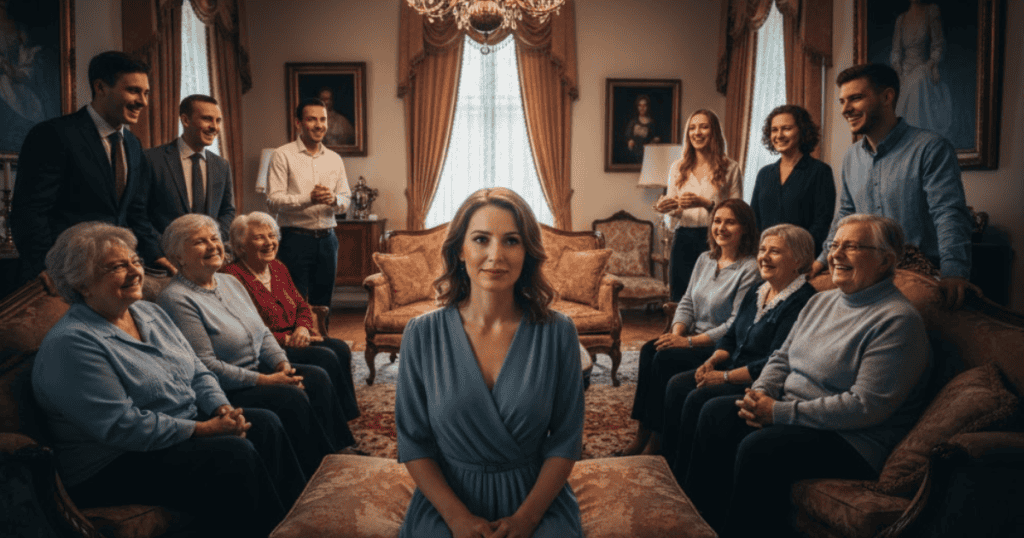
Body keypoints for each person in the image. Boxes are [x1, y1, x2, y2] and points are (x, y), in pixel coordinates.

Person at [32, 222, 305, 538]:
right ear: (82, 283)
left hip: (172, 426)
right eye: (117, 267)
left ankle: (297, 523)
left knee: (265, 424)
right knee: (233, 454)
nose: (136, 272)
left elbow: (198, 370)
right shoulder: (73, 343)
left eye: (135, 261)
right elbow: (123, 427)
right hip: (113, 463)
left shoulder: (148, 311)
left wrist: (220, 409)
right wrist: (204, 429)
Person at [684, 214, 931, 537]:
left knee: (760, 448)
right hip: (794, 410)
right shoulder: (822, 301)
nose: (836, 255)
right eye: (834, 245)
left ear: (885, 260)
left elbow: (865, 406)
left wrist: (778, 412)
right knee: (716, 413)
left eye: (852, 247)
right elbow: (781, 357)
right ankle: (695, 522)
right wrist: (758, 393)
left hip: (851, 438)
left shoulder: (898, 321)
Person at [395, 187, 585, 537]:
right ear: (460, 250)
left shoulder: (559, 332)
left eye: (511, 241)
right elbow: (413, 443)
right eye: (481, 239)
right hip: (448, 502)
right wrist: (456, 518)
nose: (495, 255)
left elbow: (566, 439)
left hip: (536, 501)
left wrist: (527, 519)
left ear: (527, 252)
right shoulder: (420, 335)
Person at [155, 214, 358, 477]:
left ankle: (334, 455)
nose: (213, 246)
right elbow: (206, 365)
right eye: (199, 242)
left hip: (260, 368)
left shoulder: (229, 282)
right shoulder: (176, 298)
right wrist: (267, 380)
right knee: (291, 396)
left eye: (215, 238)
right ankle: (312, 472)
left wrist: (283, 366)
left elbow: (262, 333)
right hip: (228, 386)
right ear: (178, 256)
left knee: (315, 377)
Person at [809, 63, 976, 309]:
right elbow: (845, 216)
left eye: (855, 98)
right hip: (865, 273)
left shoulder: (931, 148)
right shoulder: (851, 157)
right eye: (842, 101)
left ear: (887, 97)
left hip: (919, 275)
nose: (846, 109)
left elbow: (948, 213)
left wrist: (954, 272)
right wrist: (822, 260)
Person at [661, 224, 817, 480]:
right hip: (732, 367)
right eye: (762, 249)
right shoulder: (760, 290)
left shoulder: (802, 301)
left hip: (760, 381)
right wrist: (712, 361)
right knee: (678, 385)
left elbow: (774, 360)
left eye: (774, 251)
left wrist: (723, 378)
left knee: (702, 400)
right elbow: (731, 335)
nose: (764, 257)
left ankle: (694, 483)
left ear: (799, 260)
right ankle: (670, 467)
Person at [11, 51, 172, 283]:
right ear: (100, 87)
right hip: (65, 274)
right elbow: (30, 212)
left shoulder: (133, 144)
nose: (144, 102)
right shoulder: (53, 134)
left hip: (111, 276)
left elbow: (135, 214)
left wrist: (158, 255)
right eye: (134, 91)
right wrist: (43, 266)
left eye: (146, 93)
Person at [621, 199, 760, 456]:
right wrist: (676, 334)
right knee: (649, 350)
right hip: (691, 336)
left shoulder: (750, 269)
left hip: (720, 346)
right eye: (717, 221)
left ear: (745, 228)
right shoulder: (705, 259)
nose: (721, 228)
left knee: (663, 358)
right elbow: (686, 301)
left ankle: (657, 441)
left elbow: (735, 324)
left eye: (730, 222)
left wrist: (687, 343)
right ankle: (642, 432)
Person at [223, 211, 359, 421]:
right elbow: (245, 329)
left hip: (297, 337)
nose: (269, 242)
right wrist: (287, 339)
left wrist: (302, 328)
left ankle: (345, 417)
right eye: (259, 238)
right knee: (326, 357)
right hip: (269, 349)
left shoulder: (277, 268)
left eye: (271, 236)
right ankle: (327, 420)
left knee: (339, 348)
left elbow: (302, 306)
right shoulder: (232, 277)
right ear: (241, 247)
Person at [266, 97, 352, 308]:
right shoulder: (281, 155)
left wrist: (333, 199)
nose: (319, 125)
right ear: (298, 123)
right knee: (292, 303)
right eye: (312, 119)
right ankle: (297, 341)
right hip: (294, 239)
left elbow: (346, 199)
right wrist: (308, 199)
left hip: (328, 240)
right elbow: (273, 201)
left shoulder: (335, 159)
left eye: (322, 120)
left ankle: (322, 340)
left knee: (323, 304)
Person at [655, 109, 742, 301]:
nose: (697, 132)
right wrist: (667, 208)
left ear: (714, 132)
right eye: (692, 128)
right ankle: (677, 332)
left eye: (704, 127)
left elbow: (738, 212)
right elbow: (674, 213)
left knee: (712, 298)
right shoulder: (677, 168)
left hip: (716, 240)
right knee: (680, 297)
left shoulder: (731, 168)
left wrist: (706, 204)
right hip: (683, 238)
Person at [144, 94, 236, 253]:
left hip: (209, 257)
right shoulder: (151, 159)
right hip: (167, 257)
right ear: (185, 120)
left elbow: (227, 210)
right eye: (207, 119)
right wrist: (163, 250)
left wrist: (212, 242)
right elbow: (139, 213)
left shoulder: (222, 165)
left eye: (218, 120)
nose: (214, 127)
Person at [750, 105, 835, 257]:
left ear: (802, 131)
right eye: (774, 130)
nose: (779, 135)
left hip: (802, 259)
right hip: (765, 258)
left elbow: (821, 224)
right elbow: (754, 222)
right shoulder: (764, 174)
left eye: (786, 128)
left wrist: (793, 253)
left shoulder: (820, 171)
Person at [891, 0, 954, 142]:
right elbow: (895, 51)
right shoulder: (901, 19)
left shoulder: (930, 12)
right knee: (900, 90)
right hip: (905, 69)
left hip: (923, 66)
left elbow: (938, 45)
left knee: (918, 81)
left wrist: (933, 64)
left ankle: (919, 141)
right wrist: (898, 70)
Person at [623, 94, 660, 163]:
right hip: (633, 156)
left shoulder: (652, 123)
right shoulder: (633, 122)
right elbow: (627, 137)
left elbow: (656, 138)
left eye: (644, 105)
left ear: (648, 107)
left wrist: (652, 144)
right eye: (640, 105)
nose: (642, 108)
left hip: (647, 156)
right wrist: (629, 141)